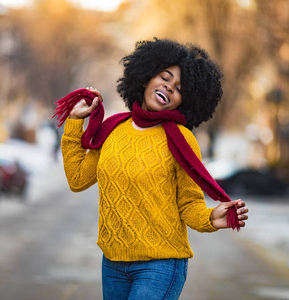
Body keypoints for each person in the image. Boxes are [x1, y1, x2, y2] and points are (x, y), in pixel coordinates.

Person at [55, 38, 249, 300]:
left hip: (161, 265)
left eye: (179, 88)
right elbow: (77, 179)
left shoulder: (181, 138)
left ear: (184, 100)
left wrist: (209, 218)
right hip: (113, 263)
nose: (169, 87)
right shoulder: (113, 129)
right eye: (164, 77)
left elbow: (189, 203)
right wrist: (74, 122)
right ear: (145, 78)